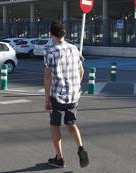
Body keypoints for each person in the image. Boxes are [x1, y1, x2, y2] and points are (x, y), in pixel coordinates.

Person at [44, 20, 89, 168]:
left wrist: (46, 98)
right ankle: (81, 148)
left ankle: (59, 158)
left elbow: (47, 77)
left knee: (54, 124)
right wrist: (75, 85)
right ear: (64, 33)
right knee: (71, 123)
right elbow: (81, 71)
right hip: (74, 94)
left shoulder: (50, 51)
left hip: (58, 94)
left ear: (51, 34)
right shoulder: (74, 48)